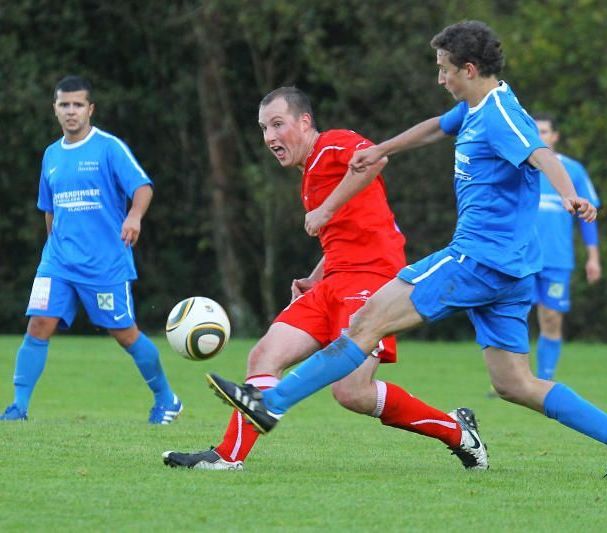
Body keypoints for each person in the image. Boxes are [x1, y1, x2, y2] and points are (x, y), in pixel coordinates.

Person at [206, 21, 607, 480]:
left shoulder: (500, 114)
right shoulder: (476, 106)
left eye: (444, 70)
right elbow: (433, 129)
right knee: (513, 382)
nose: (440, 79)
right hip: (511, 270)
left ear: (469, 68)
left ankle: (270, 404)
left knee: (366, 322)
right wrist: (384, 148)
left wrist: (567, 195)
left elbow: (542, 155)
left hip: (477, 259)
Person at [162, 87, 487, 471]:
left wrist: (326, 208)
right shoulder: (309, 174)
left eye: (278, 124)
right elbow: (346, 233)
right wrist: (315, 277)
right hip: (332, 281)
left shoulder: (332, 145)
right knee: (264, 355)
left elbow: (374, 160)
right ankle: (228, 456)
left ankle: (458, 433)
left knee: (351, 391)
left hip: (373, 279)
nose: (269, 137)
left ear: (305, 122)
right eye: (264, 128)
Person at [0, 75, 182, 424]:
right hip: (58, 261)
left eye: (78, 105)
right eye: (64, 105)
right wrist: (52, 247)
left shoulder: (108, 147)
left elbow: (142, 187)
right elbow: (48, 208)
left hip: (105, 263)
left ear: (90, 109)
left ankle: (167, 398)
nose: (71, 111)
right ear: (54, 109)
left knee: (124, 334)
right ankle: (17, 408)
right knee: (38, 324)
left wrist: (134, 216)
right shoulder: (51, 155)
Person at [532, 113, 602, 380]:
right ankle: (512, 379)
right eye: (535, 131)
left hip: (557, 258)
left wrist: (593, 257)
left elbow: (588, 217)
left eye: (545, 132)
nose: (541, 137)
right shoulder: (520, 167)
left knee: (551, 316)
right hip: (521, 258)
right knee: (511, 317)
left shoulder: (573, 171)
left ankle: (544, 379)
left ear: (555, 136)